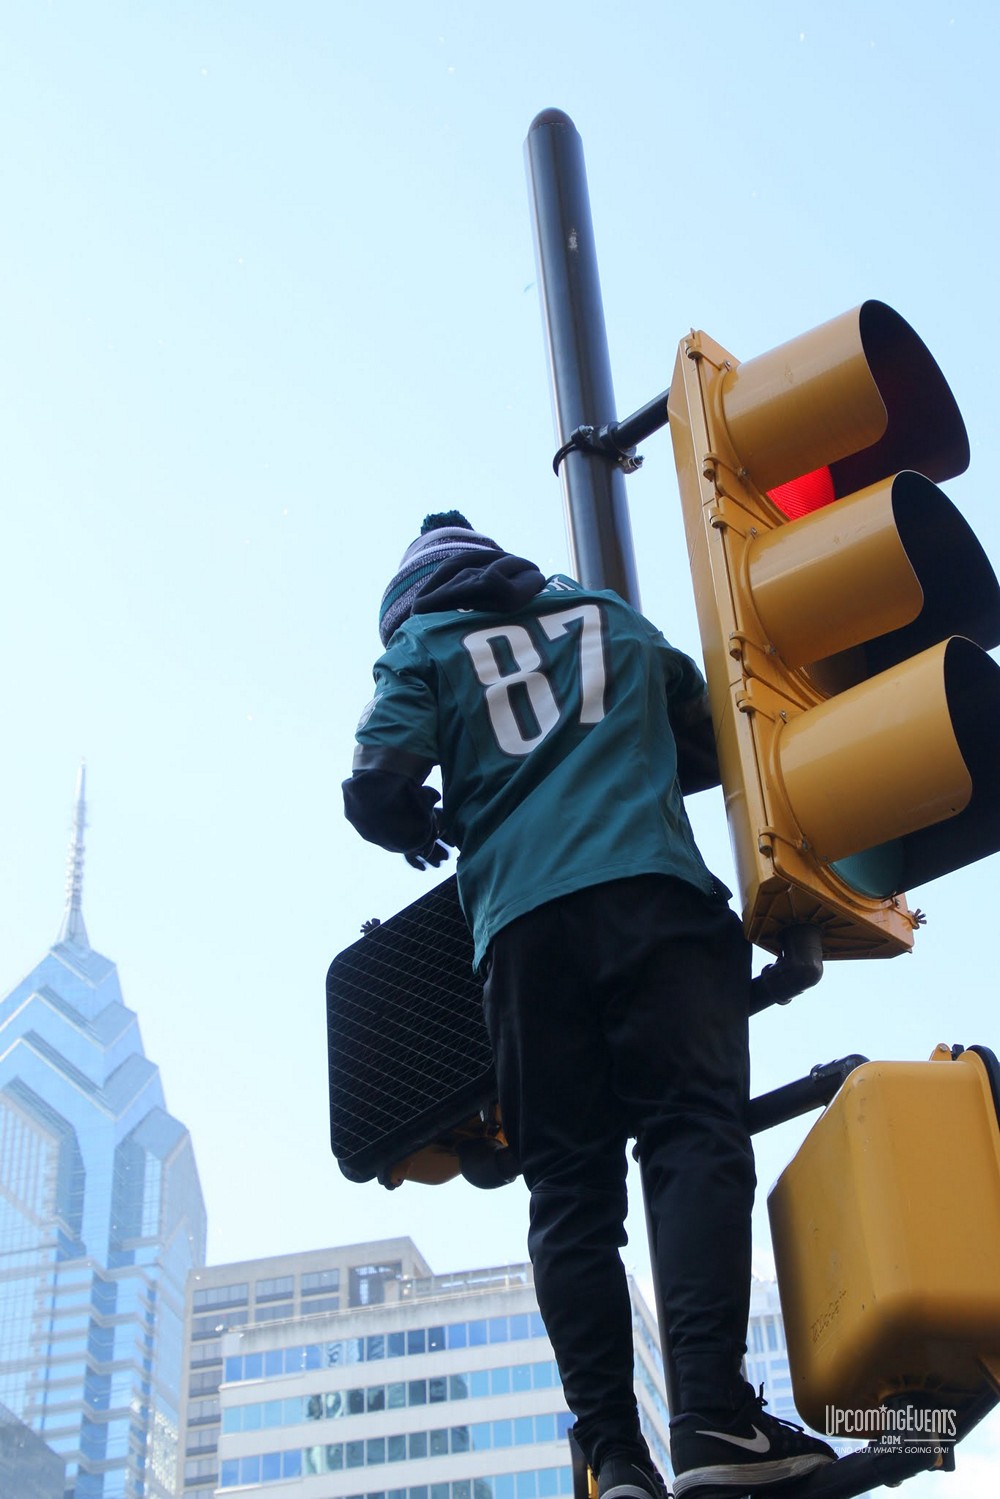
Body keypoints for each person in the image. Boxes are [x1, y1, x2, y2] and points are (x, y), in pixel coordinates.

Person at [343, 512, 835, 1499]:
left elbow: (375, 782)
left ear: (407, 603)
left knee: (568, 1195)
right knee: (691, 1134)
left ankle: (614, 1455)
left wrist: (423, 821)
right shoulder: (607, 614)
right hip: (654, 897)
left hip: (524, 938)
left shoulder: (425, 647)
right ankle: (711, 1418)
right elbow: (709, 743)